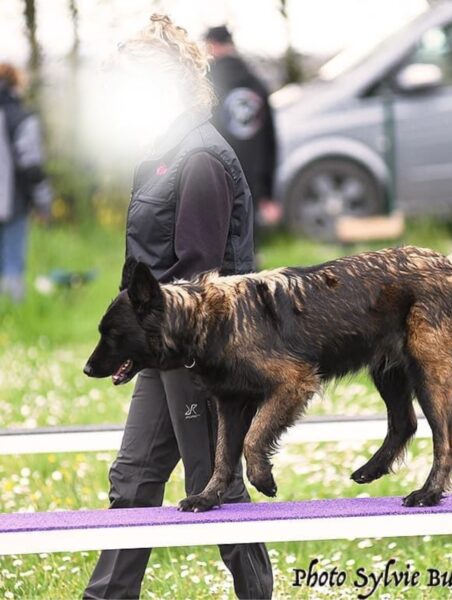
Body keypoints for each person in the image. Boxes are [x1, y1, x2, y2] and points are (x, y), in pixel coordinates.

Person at [83, 15, 273, 600]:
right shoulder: (164, 154)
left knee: (213, 484)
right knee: (134, 479)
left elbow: (199, 276)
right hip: (160, 351)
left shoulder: (199, 159)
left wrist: (147, 343)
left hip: (199, 354)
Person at [204, 25, 281, 234]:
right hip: (251, 178)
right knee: (248, 240)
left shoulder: (204, 85)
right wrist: (269, 192)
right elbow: (270, 140)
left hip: (213, 174)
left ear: (212, 46)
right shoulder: (256, 83)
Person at [0, 63, 52, 302]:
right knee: (13, 262)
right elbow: (31, 165)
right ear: (16, 83)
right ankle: (11, 316)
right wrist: (44, 203)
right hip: (11, 203)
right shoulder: (22, 117)